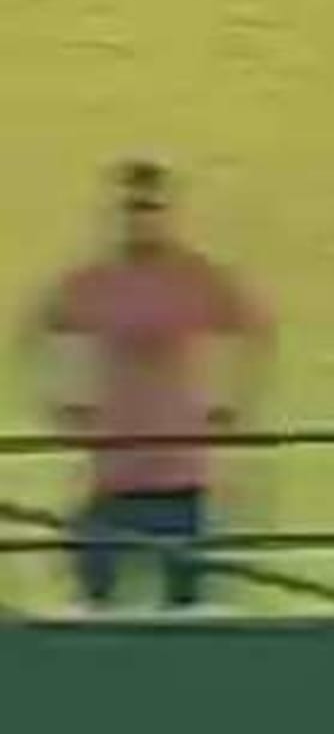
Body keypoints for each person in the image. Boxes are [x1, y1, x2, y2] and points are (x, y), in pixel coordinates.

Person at [15, 158, 272, 610]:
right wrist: (58, 405)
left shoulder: (194, 278)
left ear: (165, 213)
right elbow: (33, 335)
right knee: (94, 596)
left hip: (181, 472)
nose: (140, 218)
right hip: (114, 471)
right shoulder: (95, 283)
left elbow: (254, 331)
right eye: (132, 208)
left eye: (149, 208)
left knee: (186, 607)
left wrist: (233, 404)